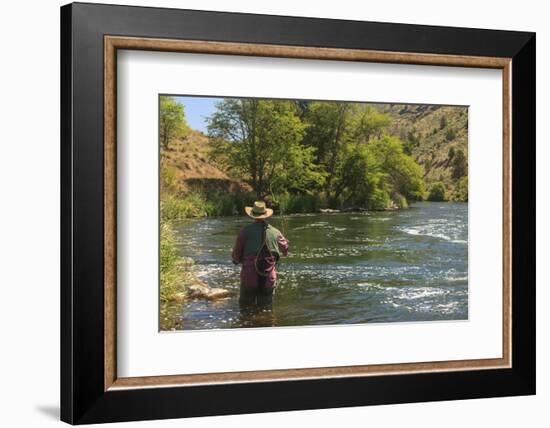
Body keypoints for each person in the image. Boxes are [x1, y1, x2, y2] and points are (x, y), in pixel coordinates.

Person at [231, 201, 289, 312]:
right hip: (268, 277)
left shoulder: (245, 231)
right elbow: (285, 250)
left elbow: (236, 255)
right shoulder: (275, 232)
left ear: (252, 215)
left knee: (245, 309)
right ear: (266, 214)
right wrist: (285, 243)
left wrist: (236, 259)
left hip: (249, 277)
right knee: (266, 310)